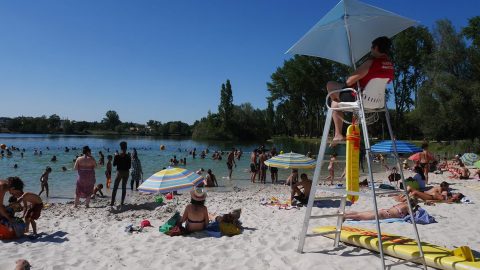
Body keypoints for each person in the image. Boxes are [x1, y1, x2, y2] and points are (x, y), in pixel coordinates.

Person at [326, 36, 394, 145]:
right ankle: (354, 124)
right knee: (335, 100)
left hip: (360, 98)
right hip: (378, 102)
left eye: (372, 47)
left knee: (330, 87)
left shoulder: (371, 62)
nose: (371, 50)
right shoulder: (390, 65)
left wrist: (352, 74)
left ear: (376, 47)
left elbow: (349, 81)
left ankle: (338, 134)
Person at [344, 201, 414, 220]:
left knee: (360, 213)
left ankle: (345, 213)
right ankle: (345, 217)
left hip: (383, 211)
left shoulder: (402, 203)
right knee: (360, 216)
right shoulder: (407, 206)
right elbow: (413, 216)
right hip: (383, 214)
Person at [111, 141, 131, 207]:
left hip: (119, 172)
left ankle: (112, 202)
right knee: (124, 187)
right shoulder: (128, 155)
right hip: (126, 172)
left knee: (115, 187)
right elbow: (129, 166)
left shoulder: (117, 155)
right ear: (126, 147)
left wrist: (115, 156)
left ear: (120, 147)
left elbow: (114, 165)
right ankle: (122, 202)